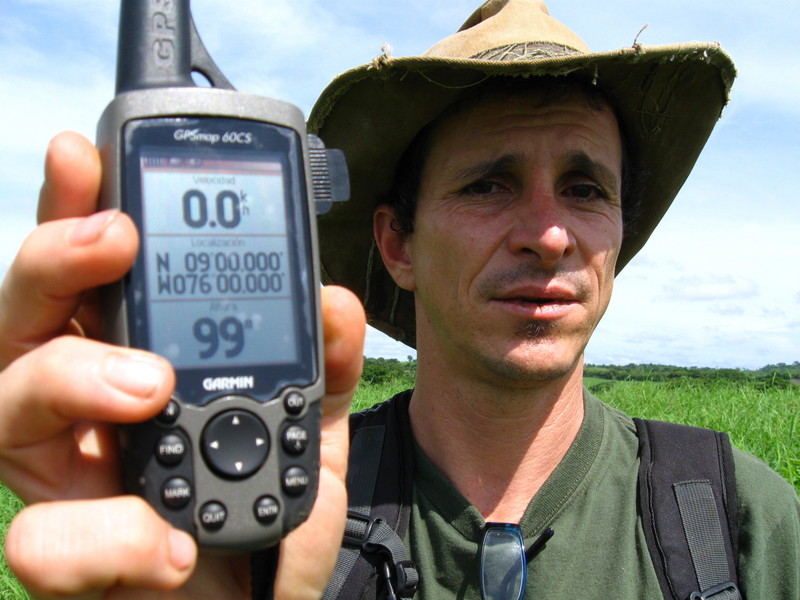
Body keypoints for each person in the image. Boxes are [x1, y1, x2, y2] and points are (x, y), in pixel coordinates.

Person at [0, 1, 797, 599]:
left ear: (616, 236)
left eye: (585, 189)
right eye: (490, 183)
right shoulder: (268, 528)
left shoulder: (737, 524)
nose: (550, 235)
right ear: (396, 245)